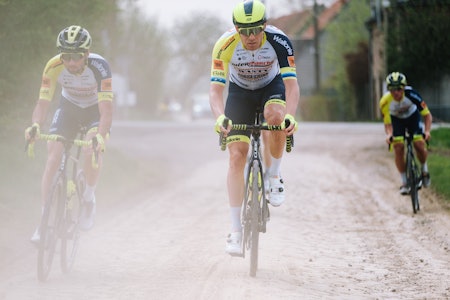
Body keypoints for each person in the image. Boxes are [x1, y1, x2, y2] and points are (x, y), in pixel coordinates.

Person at [209, 0, 300, 255]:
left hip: (271, 87)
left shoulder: (279, 42)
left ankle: (274, 176)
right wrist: (219, 117)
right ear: (236, 29)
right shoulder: (224, 44)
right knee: (237, 157)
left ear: (265, 25)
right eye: (244, 31)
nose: (250, 37)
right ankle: (236, 232)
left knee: (275, 117)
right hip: (240, 93)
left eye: (256, 30)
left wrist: (290, 117)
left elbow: (292, 87)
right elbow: (216, 91)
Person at [25, 25, 113, 242]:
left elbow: (106, 111)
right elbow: (43, 103)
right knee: (53, 157)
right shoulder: (53, 66)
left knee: (90, 152)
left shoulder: (100, 67)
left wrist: (99, 138)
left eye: (76, 57)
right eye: (66, 56)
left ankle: (89, 198)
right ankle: (44, 220)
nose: (71, 62)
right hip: (69, 108)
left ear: (86, 54)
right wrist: (35, 125)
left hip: (95, 110)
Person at [380, 72, 432, 195]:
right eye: (392, 89)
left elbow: (427, 115)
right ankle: (404, 182)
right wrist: (389, 135)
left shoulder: (412, 94)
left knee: (419, 144)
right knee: (398, 147)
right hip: (397, 121)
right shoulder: (385, 101)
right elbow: (387, 123)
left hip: (412, 118)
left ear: (404, 87)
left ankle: (424, 170)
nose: (396, 92)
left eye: (399, 89)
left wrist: (427, 131)